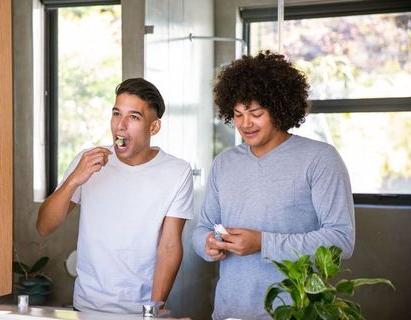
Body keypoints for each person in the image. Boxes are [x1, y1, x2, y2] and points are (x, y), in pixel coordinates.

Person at [192, 51, 355, 320]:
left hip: (294, 311)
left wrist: (263, 243)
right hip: (228, 312)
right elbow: (202, 228)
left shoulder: (320, 159)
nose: (245, 124)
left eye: (256, 113)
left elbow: (341, 240)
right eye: (238, 113)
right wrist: (208, 243)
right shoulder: (224, 163)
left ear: (279, 108)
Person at [37, 78, 194, 313]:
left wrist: (153, 310)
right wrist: (74, 180)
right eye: (116, 113)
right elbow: (44, 227)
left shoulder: (177, 172)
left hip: (140, 309)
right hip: (86, 307)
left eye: (134, 117)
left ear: (154, 127)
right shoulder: (87, 162)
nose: (120, 125)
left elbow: (169, 247)